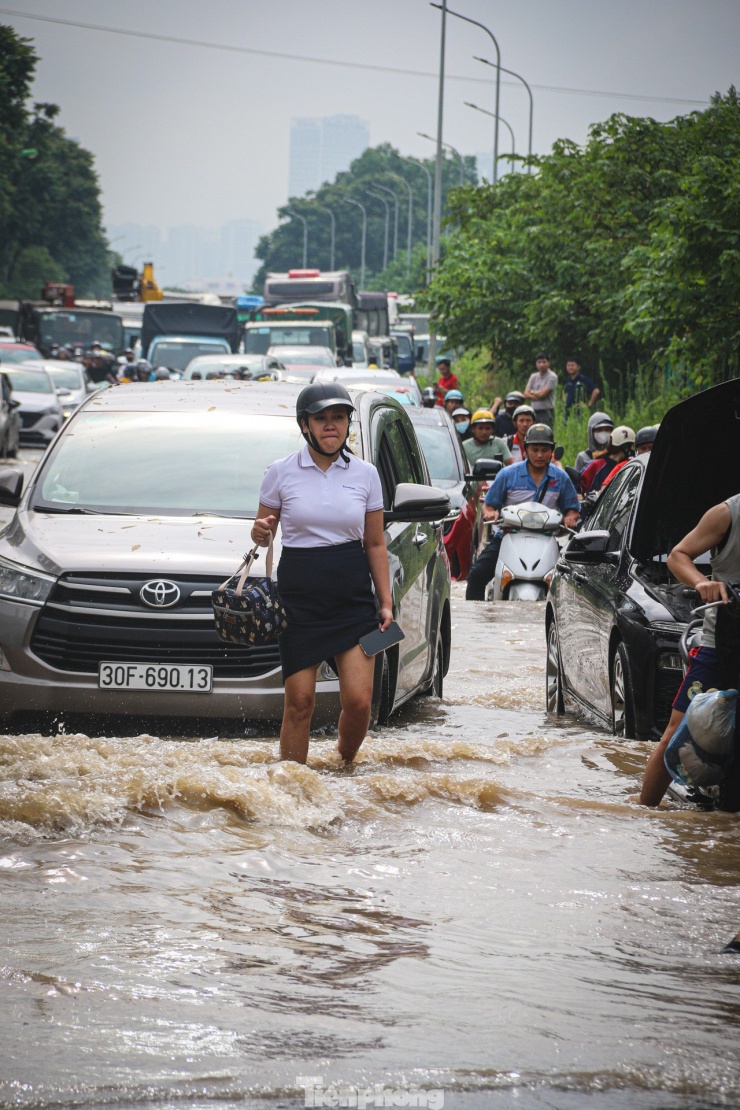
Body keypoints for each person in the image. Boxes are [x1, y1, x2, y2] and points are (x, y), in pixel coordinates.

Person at [251, 382, 393, 766]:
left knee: (360, 702)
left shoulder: (366, 475)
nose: (331, 426)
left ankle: (342, 764)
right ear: (305, 425)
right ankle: (292, 786)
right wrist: (260, 531)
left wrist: (386, 603)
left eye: (339, 418)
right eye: (321, 418)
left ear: (348, 425)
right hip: (299, 602)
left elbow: (375, 544)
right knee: (299, 702)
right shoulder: (280, 472)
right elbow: (262, 531)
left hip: (353, 600)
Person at [640, 495, 740, 806]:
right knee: (674, 734)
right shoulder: (726, 514)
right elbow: (678, 555)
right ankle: (641, 816)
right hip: (720, 641)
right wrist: (701, 583)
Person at [465, 423, 580, 600]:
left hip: (547, 539)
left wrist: (570, 518)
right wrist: (490, 513)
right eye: (535, 449)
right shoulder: (507, 474)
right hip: (507, 536)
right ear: (526, 450)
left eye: (544, 450)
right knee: (476, 575)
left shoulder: (560, 477)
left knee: (572, 582)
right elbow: (489, 505)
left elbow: (572, 508)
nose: (540, 455)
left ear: (552, 451)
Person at [580, 426, 635, 494]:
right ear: (626, 448)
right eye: (632, 446)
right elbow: (579, 484)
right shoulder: (596, 465)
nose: (633, 450)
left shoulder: (630, 465)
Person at [524, 352, 558, 427]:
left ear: (548, 363)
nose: (541, 365)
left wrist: (532, 392)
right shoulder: (533, 376)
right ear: (536, 364)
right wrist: (537, 395)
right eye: (539, 362)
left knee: (545, 434)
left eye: (544, 362)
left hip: (546, 411)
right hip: (533, 410)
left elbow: (543, 394)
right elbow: (526, 393)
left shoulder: (552, 377)